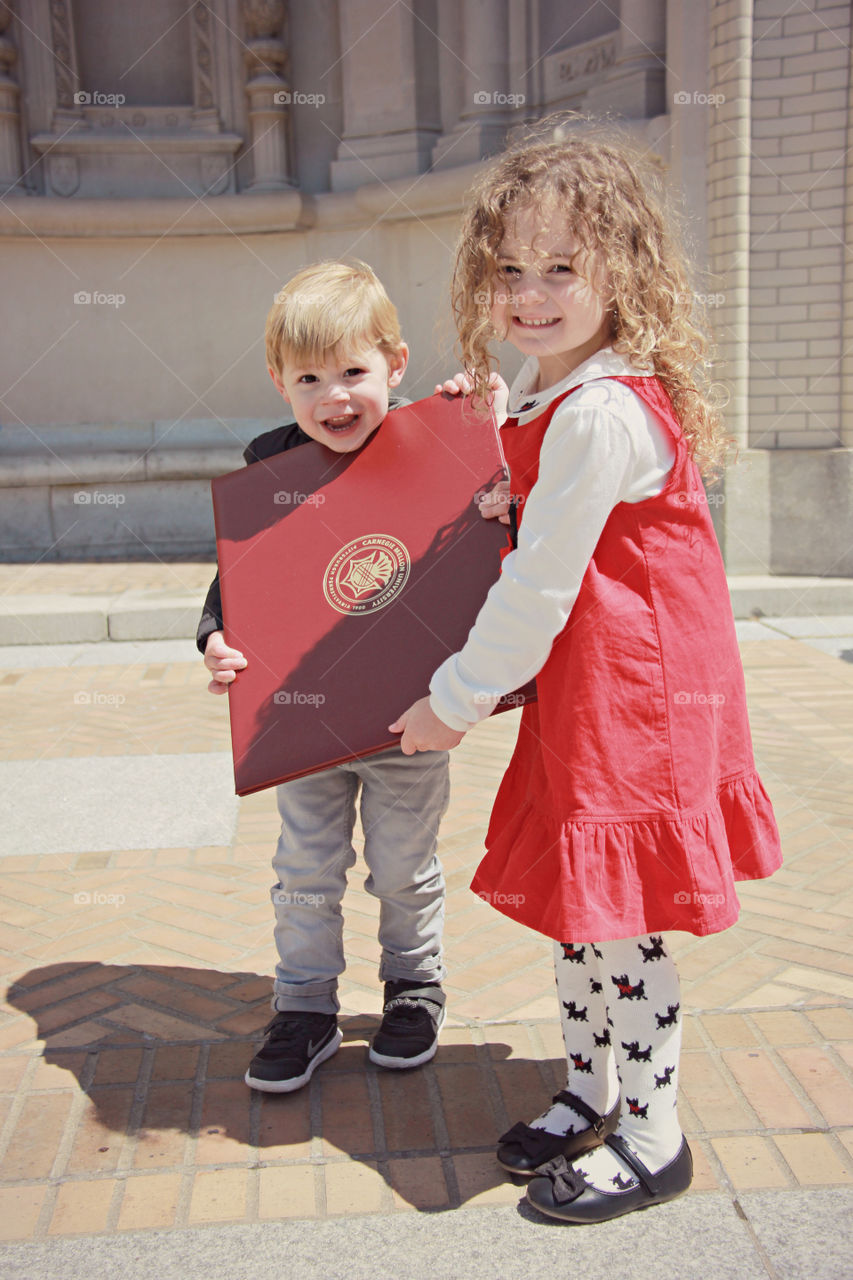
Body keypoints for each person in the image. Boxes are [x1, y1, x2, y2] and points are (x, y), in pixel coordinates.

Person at [389, 122, 783, 1224]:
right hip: (594, 686)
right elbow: (549, 519)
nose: (531, 292)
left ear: (622, 270)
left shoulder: (602, 408)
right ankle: (590, 1089)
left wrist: (453, 700)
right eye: (510, 269)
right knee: (586, 906)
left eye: (561, 266)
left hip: (636, 697)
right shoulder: (557, 389)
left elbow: (541, 588)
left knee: (622, 921)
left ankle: (654, 1138)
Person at [199, 260, 450, 1093]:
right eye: (309, 378)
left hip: (407, 719)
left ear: (395, 365)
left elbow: (473, 560)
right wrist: (215, 639)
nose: (333, 397)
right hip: (300, 721)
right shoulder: (271, 468)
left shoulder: (434, 455)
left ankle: (413, 987)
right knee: (304, 866)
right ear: (279, 383)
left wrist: (494, 495)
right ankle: (304, 1007)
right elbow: (239, 584)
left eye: (353, 372)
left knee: (402, 864)